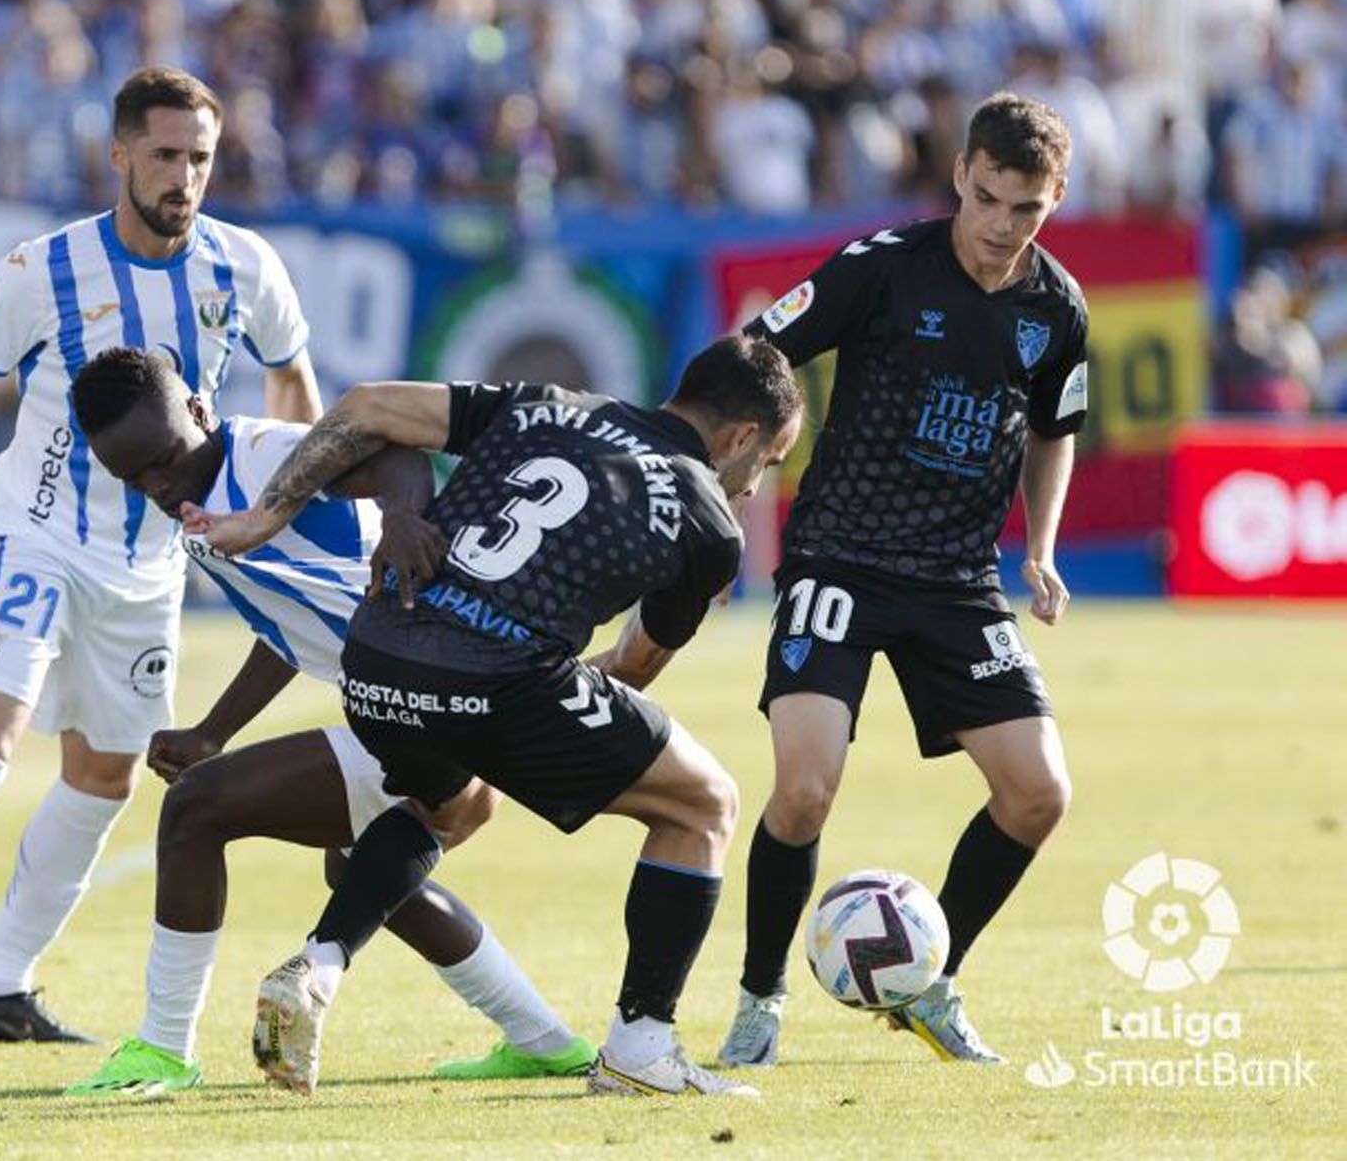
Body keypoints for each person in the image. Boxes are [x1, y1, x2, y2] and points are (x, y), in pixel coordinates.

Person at [0, 66, 321, 1055]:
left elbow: (292, 379)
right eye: (165, 155)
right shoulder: (43, 269)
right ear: (119, 154)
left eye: (200, 160)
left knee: (104, 778)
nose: (183, 178)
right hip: (35, 535)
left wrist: (278, 510)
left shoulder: (242, 266)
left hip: (147, 565)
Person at [192, 334, 804, 1097]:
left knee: (442, 805)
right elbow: (637, 666)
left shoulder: (546, 404)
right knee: (704, 801)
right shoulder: (708, 518)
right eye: (765, 464)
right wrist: (556, 683)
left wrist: (262, 518)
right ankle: (641, 1046)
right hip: (495, 674)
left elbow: (366, 406)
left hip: (379, 649)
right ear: (742, 436)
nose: (753, 485)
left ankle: (317, 964)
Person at [60, 346, 595, 1097]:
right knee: (363, 870)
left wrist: (404, 517)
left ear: (201, 412)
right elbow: (289, 625)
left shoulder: (268, 453)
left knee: (194, 809)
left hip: (435, 700)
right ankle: (546, 1040)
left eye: (164, 458)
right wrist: (214, 729)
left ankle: (163, 1046)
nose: (158, 483)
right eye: (134, 477)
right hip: (430, 713)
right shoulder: (199, 506)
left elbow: (392, 450)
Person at [716, 92, 1087, 1070]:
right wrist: (738, 464)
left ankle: (927, 981)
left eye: (1027, 210)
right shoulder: (880, 267)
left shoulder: (1055, 310)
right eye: (989, 199)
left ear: (1054, 200)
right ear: (960, 175)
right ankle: (758, 1001)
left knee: (1037, 793)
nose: (1002, 227)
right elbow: (755, 352)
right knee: (801, 791)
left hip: (957, 580)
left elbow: (1054, 428)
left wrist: (1037, 548)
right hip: (839, 554)